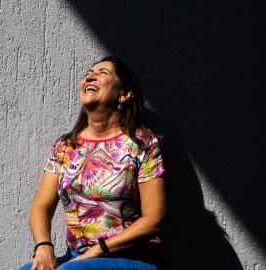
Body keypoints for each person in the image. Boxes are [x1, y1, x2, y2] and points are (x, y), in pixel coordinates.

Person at [19, 56, 166, 270]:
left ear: (124, 94)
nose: (91, 75)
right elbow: (41, 206)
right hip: (77, 257)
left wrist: (100, 249)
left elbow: (154, 220)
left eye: (102, 73)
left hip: (133, 256)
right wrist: (43, 245)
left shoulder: (142, 144)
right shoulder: (66, 147)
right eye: (89, 73)